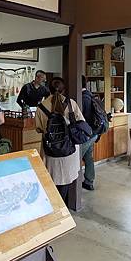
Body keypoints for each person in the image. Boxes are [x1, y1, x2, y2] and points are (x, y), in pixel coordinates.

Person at [35, 77, 85, 205]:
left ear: (49, 89)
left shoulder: (41, 107)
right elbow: (81, 122)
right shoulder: (71, 103)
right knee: (66, 181)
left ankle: (53, 208)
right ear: (64, 90)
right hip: (69, 151)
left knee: (51, 180)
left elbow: (39, 129)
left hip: (50, 151)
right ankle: (62, 208)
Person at [80, 75, 97, 191]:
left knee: (76, 157)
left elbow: (82, 118)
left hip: (87, 134)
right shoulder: (90, 95)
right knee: (88, 157)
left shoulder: (83, 98)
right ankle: (89, 181)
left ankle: (73, 185)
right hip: (94, 133)